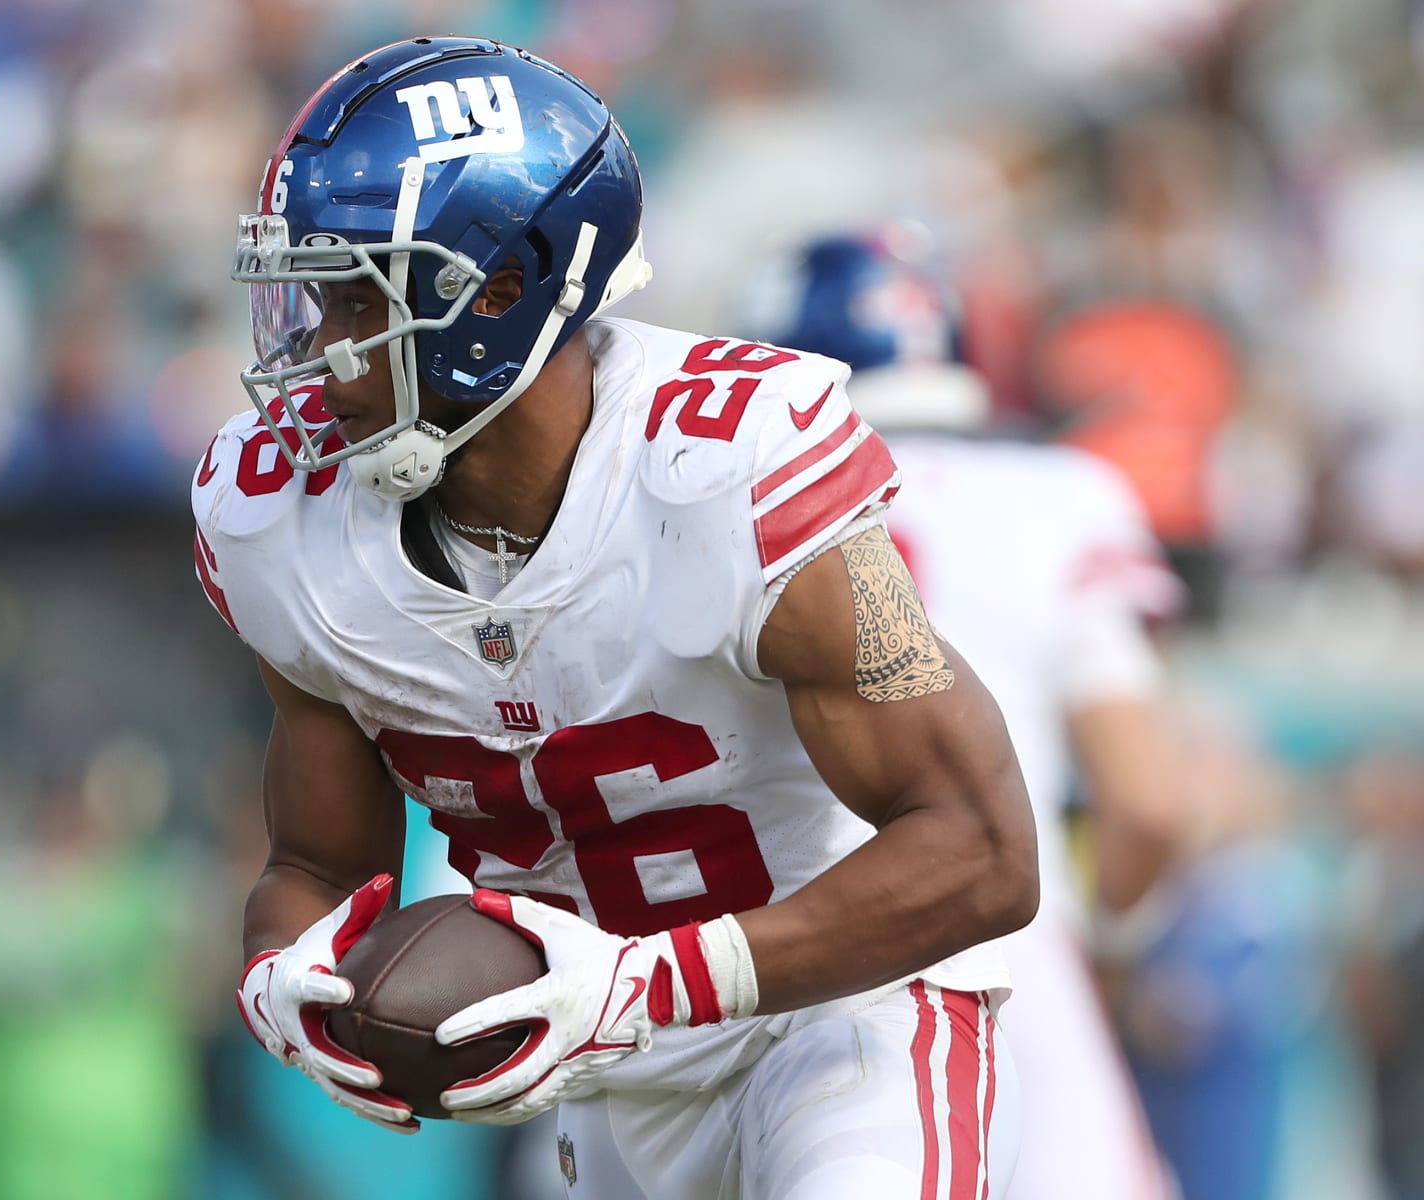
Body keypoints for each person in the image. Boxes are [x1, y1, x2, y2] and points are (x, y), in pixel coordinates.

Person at [194, 37, 1039, 1200]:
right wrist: (282, 980)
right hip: (609, 1075)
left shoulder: (737, 466)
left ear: (497, 290)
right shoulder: (279, 521)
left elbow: (984, 854)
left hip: (844, 1017)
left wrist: (649, 982)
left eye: (357, 291)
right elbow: (316, 863)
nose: (317, 346)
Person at [737, 225, 1183, 1199]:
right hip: (1002, 934)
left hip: (779, 959)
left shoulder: (735, 492)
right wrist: (1102, 943)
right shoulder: (1055, 494)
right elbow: (1145, 803)